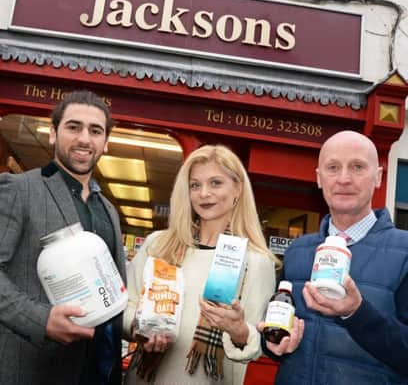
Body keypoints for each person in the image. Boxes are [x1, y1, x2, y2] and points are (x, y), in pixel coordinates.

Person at [0, 90, 127, 385]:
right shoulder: (18, 189)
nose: (84, 139)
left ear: (105, 143)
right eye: (73, 127)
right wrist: (42, 319)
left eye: (95, 131)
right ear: (53, 134)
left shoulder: (110, 212)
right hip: (21, 371)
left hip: (92, 373)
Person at [258, 130, 408, 384]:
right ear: (319, 178)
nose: (344, 179)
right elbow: (278, 328)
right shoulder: (298, 251)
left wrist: (357, 313)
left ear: (378, 177)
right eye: (333, 167)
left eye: (357, 167)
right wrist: (272, 343)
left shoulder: (404, 252)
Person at [124, 145, 279, 385]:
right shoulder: (159, 245)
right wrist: (139, 328)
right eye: (195, 185)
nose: (203, 193)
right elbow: (127, 306)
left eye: (215, 183)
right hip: (143, 377)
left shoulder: (256, 262)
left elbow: (256, 343)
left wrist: (239, 330)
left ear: (237, 189)